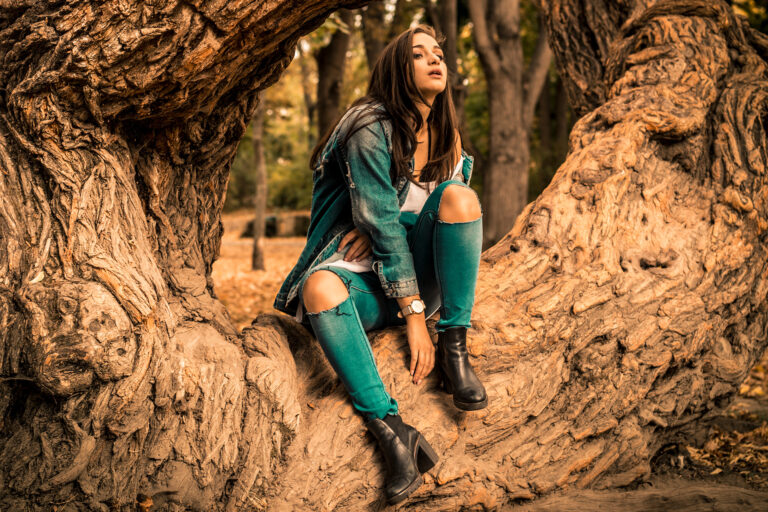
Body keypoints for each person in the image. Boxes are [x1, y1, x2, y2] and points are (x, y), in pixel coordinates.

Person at [273, 24, 487, 504]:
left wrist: (388, 233)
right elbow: (383, 222)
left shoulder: (447, 136)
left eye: (439, 52)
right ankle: (392, 432)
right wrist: (412, 315)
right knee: (319, 289)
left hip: (423, 281)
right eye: (418, 55)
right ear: (397, 68)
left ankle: (455, 348)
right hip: (373, 286)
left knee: (459, 196)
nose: (435, 60)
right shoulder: (369, 125)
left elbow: (448, 219)